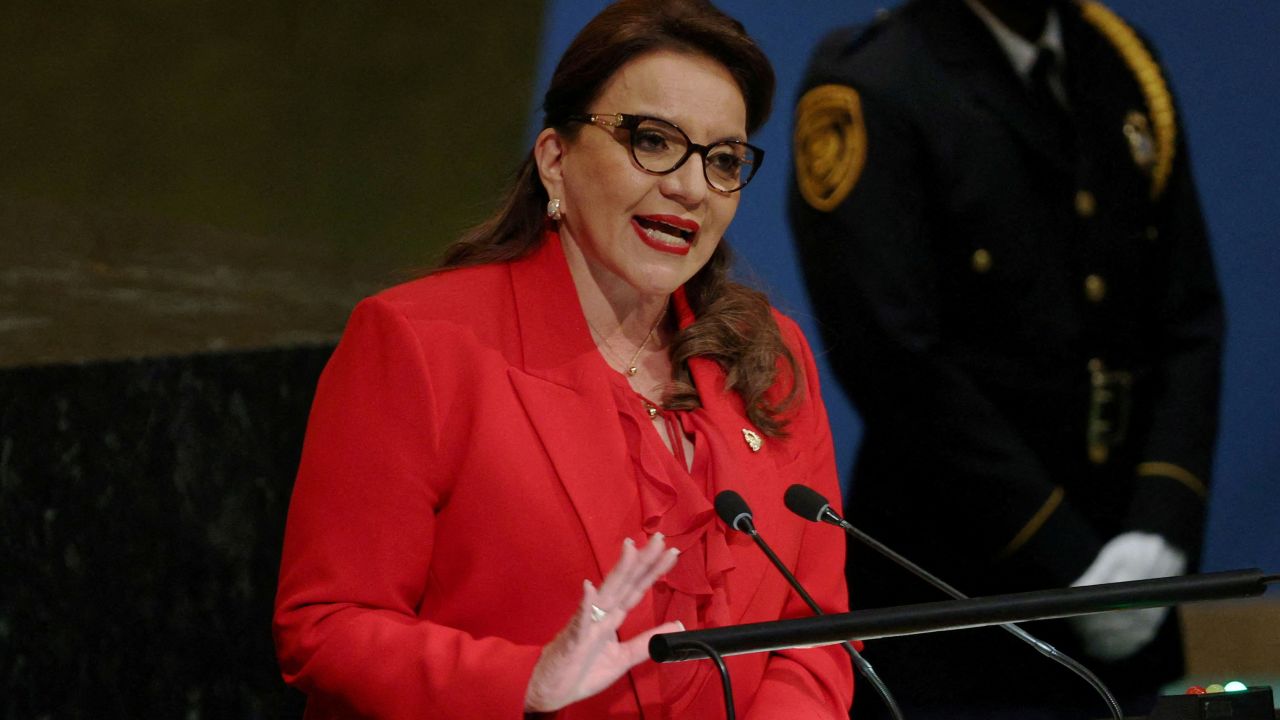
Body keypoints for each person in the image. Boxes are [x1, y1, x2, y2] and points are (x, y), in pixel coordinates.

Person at [273, 1, 854, 718]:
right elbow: (326, 627)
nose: (691, 186)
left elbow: (817, 635)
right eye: (652, 141)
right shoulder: (421, 344)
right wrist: (527, 681)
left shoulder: (773, 358)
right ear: (555, 159)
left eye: (724, 160)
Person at [788, 0, 1223, 718]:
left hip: (1128, 572)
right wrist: (1069, 563)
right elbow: (893, 359)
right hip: (955, 602)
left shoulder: (1121, 61)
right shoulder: (875, 80)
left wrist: (1162, 527)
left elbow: (1190, 318)